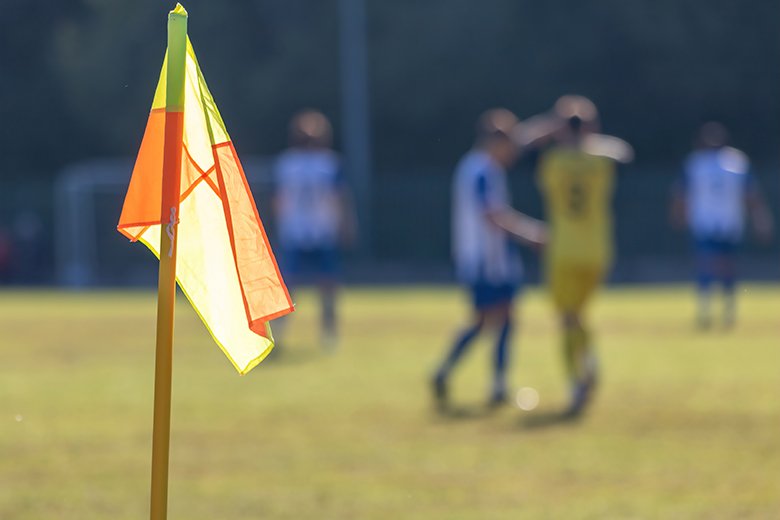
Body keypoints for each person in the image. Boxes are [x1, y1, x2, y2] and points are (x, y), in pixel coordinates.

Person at [432, 108, 547, 410]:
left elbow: (523, 140)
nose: (513, 153)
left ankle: (455, 373)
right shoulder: (482, 169)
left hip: (488, 258)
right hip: (487, 259)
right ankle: (490, 382)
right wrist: (530, 233)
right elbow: (492, 214)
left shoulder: (477, 165)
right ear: (497, 142)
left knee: (490, 320)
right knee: (493, 319)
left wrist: (549, 125)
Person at [529, 95, 633, 418]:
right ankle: (589, 362)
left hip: (563, 250)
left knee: (566, 319)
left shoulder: (554, 162)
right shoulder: (601, 160)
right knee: (578, 315)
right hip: (597, 250)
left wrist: (553, 130)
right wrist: (590, 139)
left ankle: (577, 379)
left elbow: (522, 141)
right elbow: (624, 151)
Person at [670, 122, 773, 329]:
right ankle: (713, 310)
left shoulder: (709, 162)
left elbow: (750, 195)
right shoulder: (732, 162)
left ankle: (719, 310)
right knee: (717, 265)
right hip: (718, 221)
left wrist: (678, 215)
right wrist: (761, 219)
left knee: (717, 265)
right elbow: (752, 196)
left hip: (717, 222)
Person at [273, 110, 356, 349]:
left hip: (309, 230)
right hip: (310, 230)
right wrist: (347, 224)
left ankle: (326, 333)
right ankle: (289, 332)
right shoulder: (326, 164)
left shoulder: (290, 163)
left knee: (321, 285)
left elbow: (279, 200)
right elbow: (340, 198)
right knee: (300, 286)